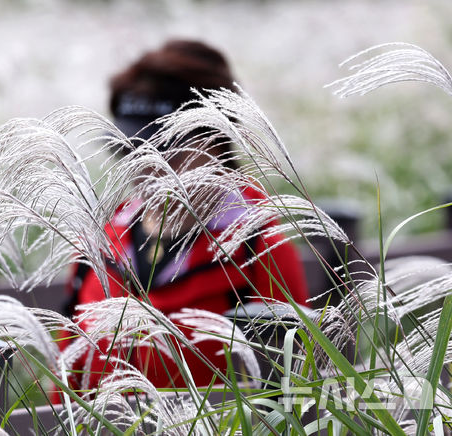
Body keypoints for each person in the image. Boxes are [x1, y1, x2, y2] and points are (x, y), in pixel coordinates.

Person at [60, 40, 309, 392]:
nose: (146, 167)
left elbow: (293, 392)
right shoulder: (96, 245)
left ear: (216, 142)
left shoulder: (258, 250)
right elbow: (67, 389)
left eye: (164, 150)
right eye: (130, 149)